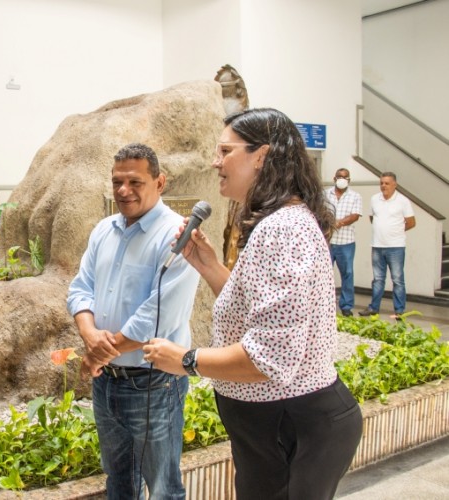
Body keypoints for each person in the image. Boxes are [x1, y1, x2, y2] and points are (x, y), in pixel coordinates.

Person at [142, 108, 363, 500]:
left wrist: (186, 360)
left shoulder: (281, 230)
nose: (216, 162)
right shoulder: (278, 222)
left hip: (291, 426)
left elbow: (269, 358)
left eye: (225, 151)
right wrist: (210, 266)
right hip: (275, 429)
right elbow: (260, 315)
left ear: (261, 156)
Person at [67, 143, 200, 499]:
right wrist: (90, 334)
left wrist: (98, 353)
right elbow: (81, 289)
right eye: (117, 182)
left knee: (162, 489)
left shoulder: (176, 237)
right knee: (119, 483)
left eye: (135, 182)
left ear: (160, 182)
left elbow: (158, 315)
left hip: (153, 386)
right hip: (106, 382)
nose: (124, 191)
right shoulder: (103, 230)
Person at [360, 172, 416, 318]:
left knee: (397, 279)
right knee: (378, 279)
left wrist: (395, 231)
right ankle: (373, 308)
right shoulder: (374, 199)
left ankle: (399, 310)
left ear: (394, 185)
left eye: (387, 183)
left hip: (396, 247)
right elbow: (372, 218)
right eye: (382, 183)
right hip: (377, 246)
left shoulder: (403, 201)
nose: (383, 186)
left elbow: (411, 222)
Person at [325, 168, 362, 316]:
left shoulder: (355, 196)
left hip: (346, 242)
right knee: (325, 274)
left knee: (347, 274)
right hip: (327, 241)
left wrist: (337, 223)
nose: (342, 179)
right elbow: (319, 211)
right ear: (334, 178)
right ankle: (325, 305)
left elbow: (355, 215)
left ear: (349, 180)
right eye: (340, 177)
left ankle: (346, 306)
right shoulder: (325, 194)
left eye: (345, 177)